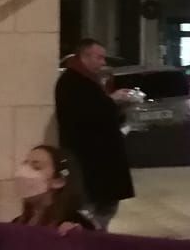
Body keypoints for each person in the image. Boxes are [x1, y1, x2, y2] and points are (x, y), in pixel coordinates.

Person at [53, 39, 133, 228]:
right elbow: (85, 115)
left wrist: (118, 106)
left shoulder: (90, 81)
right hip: (89, 160)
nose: (103, 63)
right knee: (91, 211)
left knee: (105, 207)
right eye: (99, 57)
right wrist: (112, 100)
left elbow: (102, 113)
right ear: (84, 56)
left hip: (101, 160)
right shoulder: (71, 82)